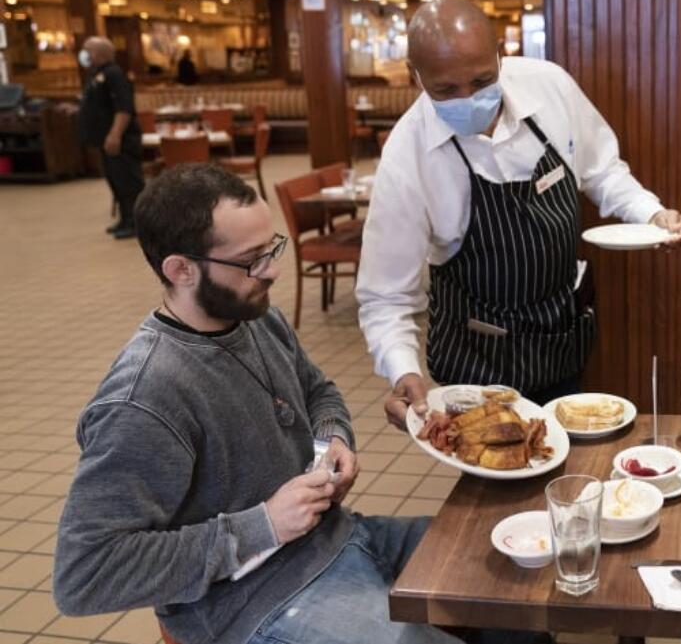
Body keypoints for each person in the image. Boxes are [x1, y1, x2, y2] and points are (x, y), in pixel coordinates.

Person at [52, 164, 461, 644]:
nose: (272, 270)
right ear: (180, 269)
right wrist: (262, 525)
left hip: (337, 538)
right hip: (252, 601)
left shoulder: (255, 319)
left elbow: (317, 390)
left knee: (491, 576)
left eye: (272, 249)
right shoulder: (145, 398)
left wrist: (333, 435)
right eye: (251, 260)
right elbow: (84, 575)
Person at [358, 0, 681, 428]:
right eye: (446, 90)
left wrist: (651, 214)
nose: (470, 99)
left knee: (563, 463)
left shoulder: (549, 86)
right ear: (414, 75)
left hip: (557, 338)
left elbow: (602, 170)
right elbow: (385, 295)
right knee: (493, 475)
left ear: (500, 54)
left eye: (482, 80)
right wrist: (402, 368)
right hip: (475, 362)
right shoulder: (407, 155)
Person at [78, 36, 143, 239]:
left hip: (120, 140)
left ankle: (137, 223)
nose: (84, 54)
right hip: (104, 141)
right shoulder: (97, 74)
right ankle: (125, 219)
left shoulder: (114, 74)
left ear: (99, 53)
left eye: (87, 50)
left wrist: (115, 135)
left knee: (128, 182)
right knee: (116, 181)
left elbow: (123, 109)